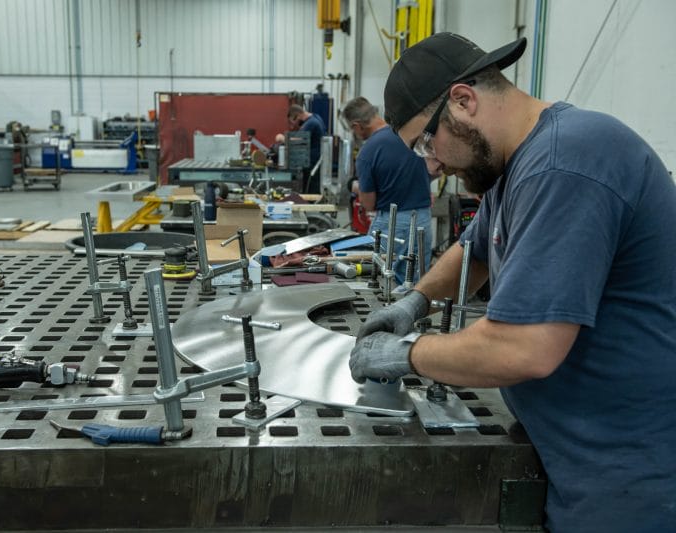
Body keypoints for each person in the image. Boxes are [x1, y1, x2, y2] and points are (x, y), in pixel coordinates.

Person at [349, 32, 676, 532]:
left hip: (630, 474)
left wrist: (408, 353)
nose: (431, 165)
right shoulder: (519, 165)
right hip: (576, 449)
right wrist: (415, 300)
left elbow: (523, 350)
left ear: (463, 101)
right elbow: (475, 248)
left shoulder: (566, 163)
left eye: (425, 143)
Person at [341, 96, 432, 285]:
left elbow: (368, 204)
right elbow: (432, 168)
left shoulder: (368, 152)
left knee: (381, 280)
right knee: (416, 282)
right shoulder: (409, 134)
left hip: (394, 223)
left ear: (357, 125)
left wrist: (356, 186)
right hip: (423, 218)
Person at [288, 104, 326, 193]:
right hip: (316, 162)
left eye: (294, 121)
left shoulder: (310, 123)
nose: (294, 124)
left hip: (312, 165)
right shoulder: (316, 117)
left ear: (297, 116)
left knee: (310, 192)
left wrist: (282, 138)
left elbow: (297, 141)